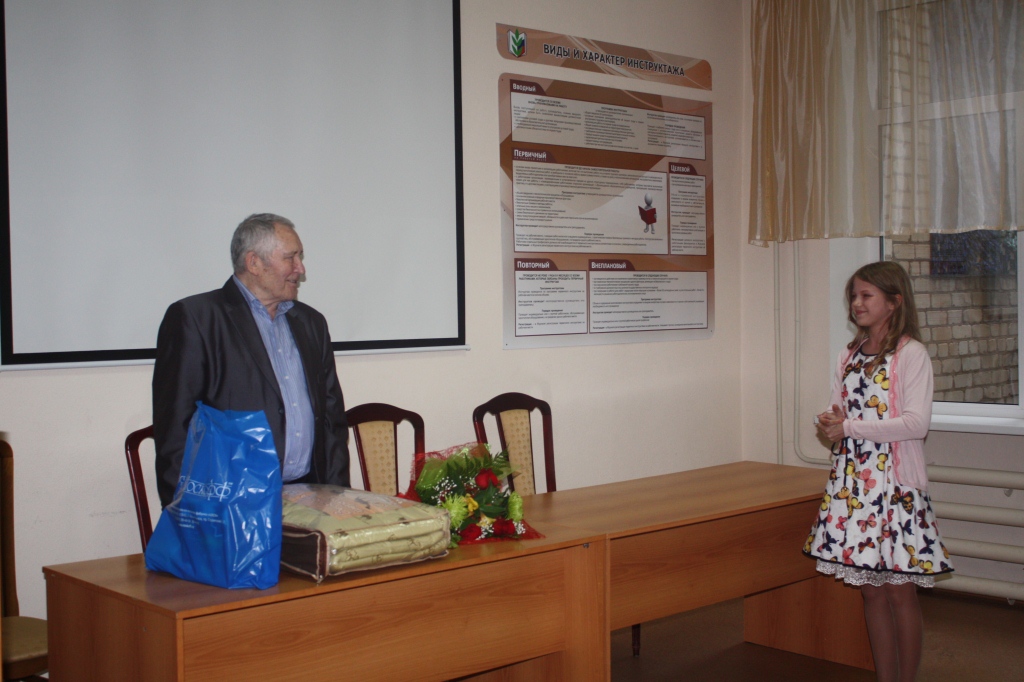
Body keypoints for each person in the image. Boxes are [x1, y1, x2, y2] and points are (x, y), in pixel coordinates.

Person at [804, 260, 953, 682]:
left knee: (899, 593)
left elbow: (915, 424)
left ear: (894, 302)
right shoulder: (848, 354)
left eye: (867, 295)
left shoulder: (911, 354)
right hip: (854, 488)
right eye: (853, 295)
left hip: (895, 489)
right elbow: (839, 411)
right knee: (871, 593)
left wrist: (849, 427)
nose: (857, 303)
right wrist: (830, 422)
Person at [153, 213, 349, 507]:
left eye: (300, 257)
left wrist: (337, 498)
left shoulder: (311, 323)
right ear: (254, 262)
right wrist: (188, 511)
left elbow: (331, 420)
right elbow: (176, 429)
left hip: (310, 494)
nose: (300, 268)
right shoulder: (196, 319)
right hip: (231, 505)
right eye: (290, 257)